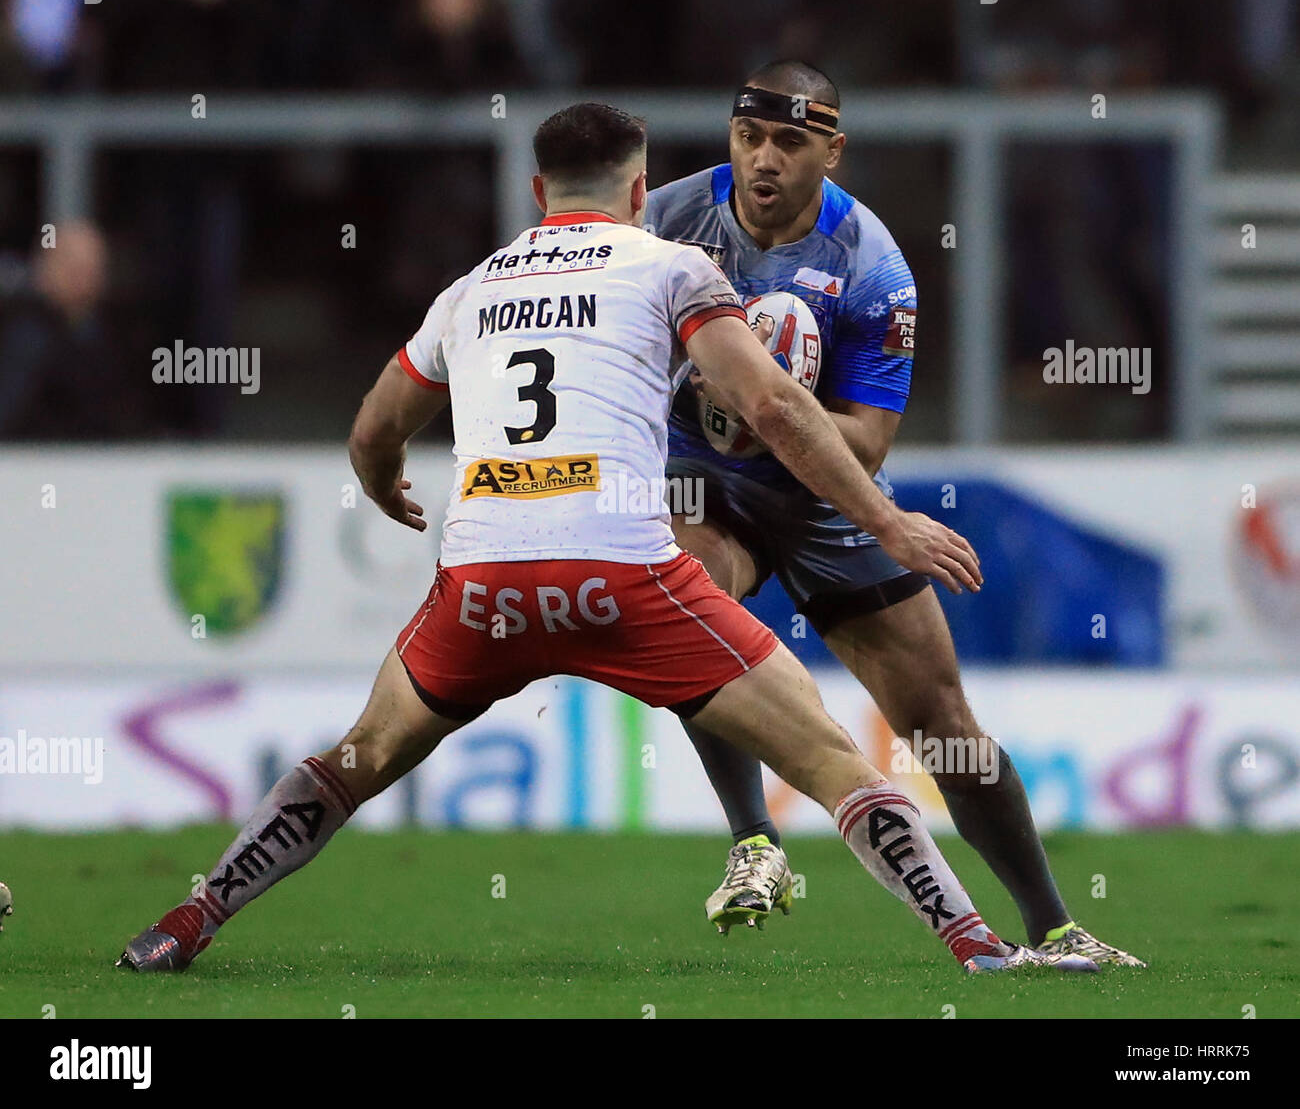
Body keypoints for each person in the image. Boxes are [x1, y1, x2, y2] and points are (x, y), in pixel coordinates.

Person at [118, 102, 1095, 976]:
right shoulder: (673, 263)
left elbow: (375, 429)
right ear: (640, 190)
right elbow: (775, 406)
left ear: (538, 190)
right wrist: (891, 518)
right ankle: (976, 946)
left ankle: (190, 917)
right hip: (619, 574)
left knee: (354, 760)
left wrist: (384, 492)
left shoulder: (473, 286)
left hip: (483, 583)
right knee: (838, 762)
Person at [645, 60, 1144, 966]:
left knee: (943, 726)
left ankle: (1057, 927)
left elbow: (867, 443)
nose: (764, 159)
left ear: (831, 151)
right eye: (749, 136)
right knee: (694, 597)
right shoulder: (666, 221)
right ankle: (755, 841)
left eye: (789, 143)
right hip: (697, 477)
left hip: (826, 491)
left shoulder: (871, 264)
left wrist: (765, 407)